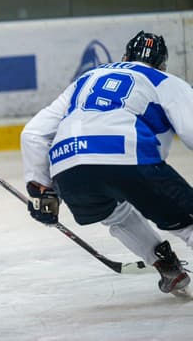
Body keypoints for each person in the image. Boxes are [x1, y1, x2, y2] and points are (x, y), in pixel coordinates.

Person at [20, 30, 193, 297]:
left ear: (124, 57)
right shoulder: (165, 80)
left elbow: (32, 134)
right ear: (162, 64)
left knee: (115, 213)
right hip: (128, 158)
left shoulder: (86, 79)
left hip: (68, 169)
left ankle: (165, 264)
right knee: (186, 222)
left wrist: (42, 191)